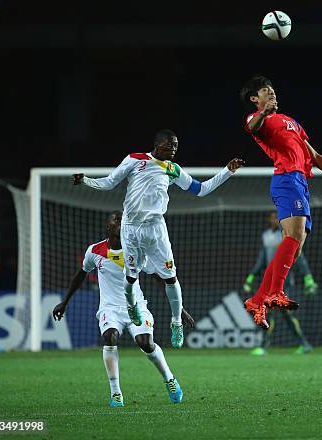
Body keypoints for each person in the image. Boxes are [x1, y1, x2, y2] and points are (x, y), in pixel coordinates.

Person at [72, 129, 243, 348]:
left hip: (155, 229)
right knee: (131, 276)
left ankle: (176, 322)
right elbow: (110, 182)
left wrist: (227, 172)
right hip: (131, 228)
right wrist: (86, 180)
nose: (174, 149)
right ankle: (132, 307)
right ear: (158, 144)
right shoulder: (135, 159)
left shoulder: (173, 169)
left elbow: (201, 190)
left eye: (176, 146)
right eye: (170, 145)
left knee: (170, 277)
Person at [240, 76, 322, 328]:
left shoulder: (291, 122)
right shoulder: (258, 120)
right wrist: (262, 112)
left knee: (294, 249)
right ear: (255, 99)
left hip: (300, 182)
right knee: (293, 237)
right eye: (265, 91)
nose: (272, 93)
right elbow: (252, 127)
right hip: (286, 179)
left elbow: (314, 155)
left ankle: (258, 299)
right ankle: (274, 292)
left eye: (273, 90)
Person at [52, 211, 195, 407]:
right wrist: (64, 302)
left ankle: (170, 379)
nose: (120, 221)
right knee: (109, 337)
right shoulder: (94, 251)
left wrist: (179, 309)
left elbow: (160, 279)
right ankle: (116, 394)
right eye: (115, 219)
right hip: (109, 308)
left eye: (123, 219)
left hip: (136, 305)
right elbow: (80, 275)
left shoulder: (136, 249)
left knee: (145, 342)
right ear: (108, 227)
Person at [243, 212, 316, 355]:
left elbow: (298, 257)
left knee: (275, 312)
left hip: (285, 279)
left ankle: (268, 346)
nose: (275, 220)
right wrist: (251, 277)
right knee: (275, 313)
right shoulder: (266, 236)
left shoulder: (287, 232)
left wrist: (308, 277)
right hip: (269, 279)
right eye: (272, 218)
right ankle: (300, 343)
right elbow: (262, 259)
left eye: (277, 217)